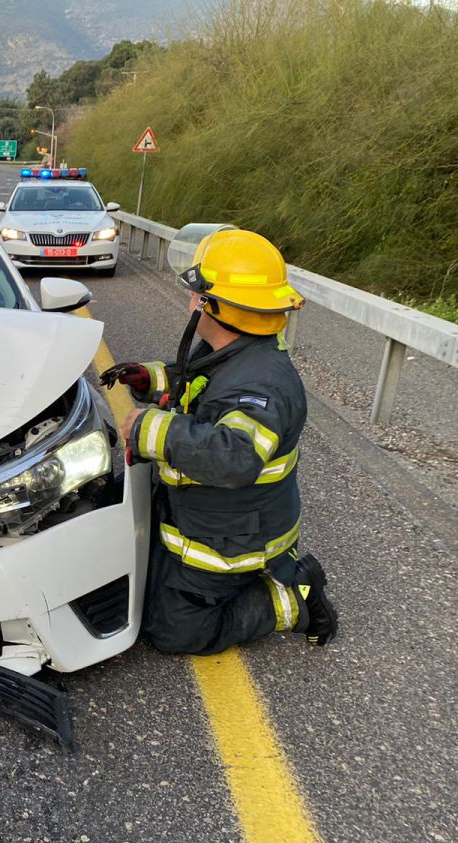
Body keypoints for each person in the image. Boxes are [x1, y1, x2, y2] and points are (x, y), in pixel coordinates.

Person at [101, 229, 338, 654]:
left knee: (172, 632)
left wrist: (149, 428)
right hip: (203, 520)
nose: (191, 302)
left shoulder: (263, 385)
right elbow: (198, 381)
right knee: (141, 581)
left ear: (218, 307)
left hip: (232, 544)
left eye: (198, 295)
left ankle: (293, 598)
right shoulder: (237, 350)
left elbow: (234, 456)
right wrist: (148, 379)